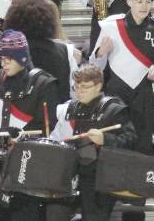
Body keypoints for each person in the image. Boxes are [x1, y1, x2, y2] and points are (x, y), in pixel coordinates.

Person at [0, 29, 61, 221]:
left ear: (22, 58)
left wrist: (23, 134)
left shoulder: (44, 84)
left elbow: (47, 126)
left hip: (27, 162)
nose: (3, 62)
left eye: (9, 58)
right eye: (1, 58)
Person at [91, 0, 154, 154]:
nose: (144, 6)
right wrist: (101, 53)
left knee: (143, 142)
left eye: (148, 2)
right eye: (139, 1)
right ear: (129, 1)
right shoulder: (111, 25)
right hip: (115, 92)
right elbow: (94, 64)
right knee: (114, 139)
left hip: (143, 94)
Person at [49, 64, 137, 221]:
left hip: (100, 178)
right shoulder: (69, 108)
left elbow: (130, 140)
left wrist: (105, 139)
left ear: (99, 86)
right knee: (53, 212)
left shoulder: (114, 109)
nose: (79, 91)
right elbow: (56, 138)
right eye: (76, 86)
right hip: (70, 174)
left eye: (84, 87)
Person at [4, 0, 78, 103]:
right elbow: (75, 91)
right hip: (56, 116)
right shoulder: (66, 51)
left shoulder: (9, 52)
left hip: (20, 116)